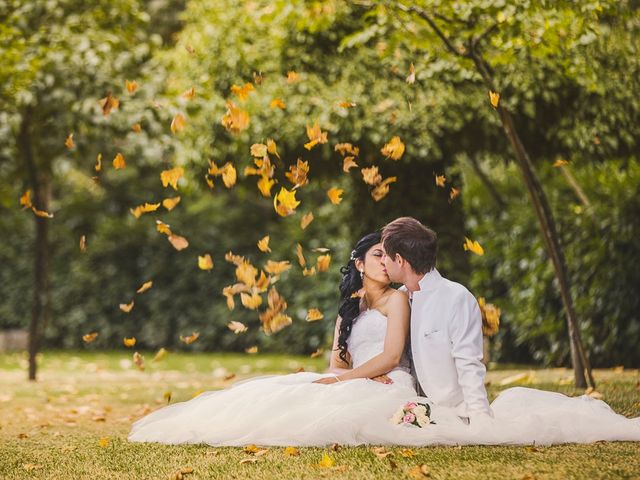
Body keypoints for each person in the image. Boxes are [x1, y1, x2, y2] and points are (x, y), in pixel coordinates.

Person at [129, 231, 640, 446]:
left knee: (366, 415)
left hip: (391, 383)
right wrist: (333, 377)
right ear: (359, 264)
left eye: (388, 255)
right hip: (352, 376)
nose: (385, 262)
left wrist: (348, 380)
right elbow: (335, 357)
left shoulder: (401, 300)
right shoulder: (349, 307)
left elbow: (394, 356)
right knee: (284, 396)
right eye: (376, 256)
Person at [380, 217, 491, 423]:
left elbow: (468, 362)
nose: (381, 261)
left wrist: (480, 417)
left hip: (450, 409)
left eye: (385, 255)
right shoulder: (399, 299)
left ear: (400, 260)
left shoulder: (457, 298)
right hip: (403, 403)